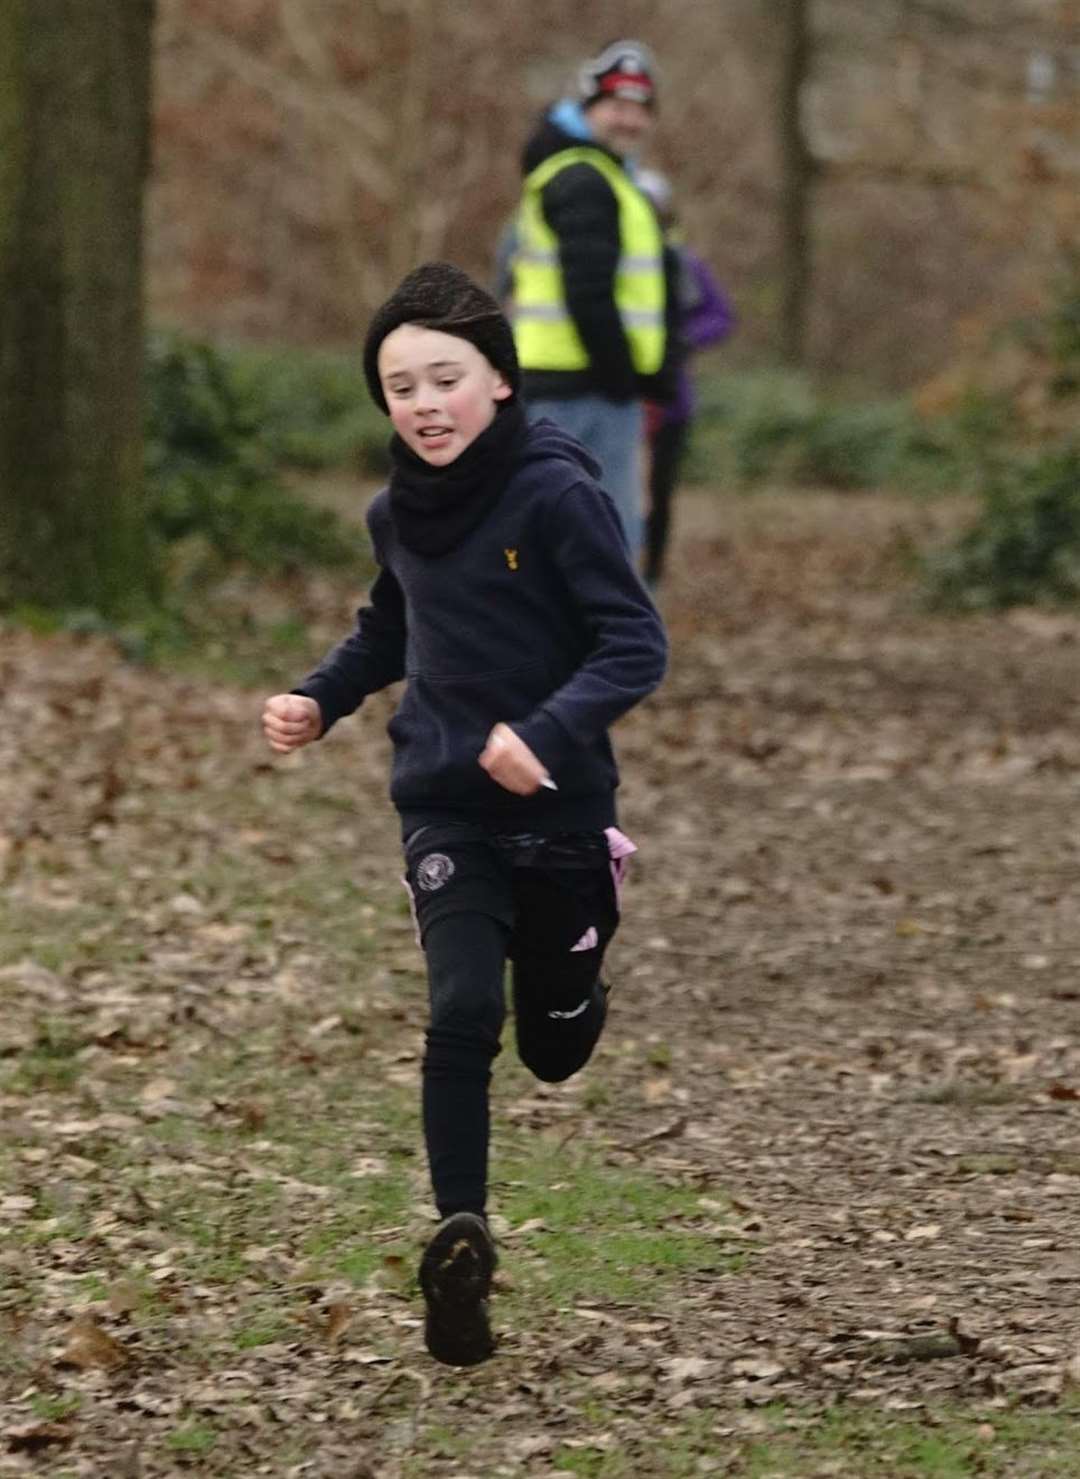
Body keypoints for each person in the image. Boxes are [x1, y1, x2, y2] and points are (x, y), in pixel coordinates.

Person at [261, 262, 667, 1368]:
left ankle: (582, 966)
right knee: (459, 1010)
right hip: (444, 801)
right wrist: (320, 696)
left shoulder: (557, 493)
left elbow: (636, 643)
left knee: (552, 1047)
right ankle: (462, 1237)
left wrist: (546, 732)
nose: (425, 404)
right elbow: (391, 628)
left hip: (562, 807)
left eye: (446, 378)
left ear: (498, 381)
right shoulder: (398, 513)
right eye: (401, 387)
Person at [509, 40, 669, 564]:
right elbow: (589, 293)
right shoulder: (585, 180)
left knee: (564, 538)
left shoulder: (599, 175)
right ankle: (603, 646)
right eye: (616, 106)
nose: (629, 120)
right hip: (581, 390)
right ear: (587, 108)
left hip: (577, 386)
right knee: (598, 545)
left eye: (640, 109)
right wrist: (624, 375)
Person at [637, 169, 736, 589]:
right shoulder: (602, 257)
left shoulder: (683, 264)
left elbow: (722, 317)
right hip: (615, 394)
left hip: (670, 400)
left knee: (660, 490)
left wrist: (683, 339)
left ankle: (652, 572)